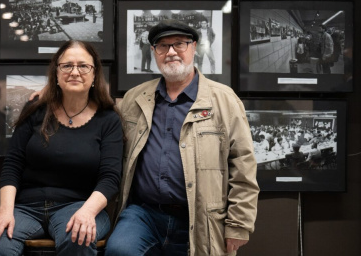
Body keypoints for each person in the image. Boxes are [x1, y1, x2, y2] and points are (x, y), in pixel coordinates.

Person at [105, 19, 259, 255]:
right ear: (153, 52)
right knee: (119, 250)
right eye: (162, 46)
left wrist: (238, 225)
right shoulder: (135, 99)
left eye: (179, 44)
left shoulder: (224, 100)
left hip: (200, 217)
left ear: (194, 47)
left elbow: (243, 165)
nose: (171, 52)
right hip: (143, 213)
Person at [0, 40, 123, 256]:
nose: (75, 72)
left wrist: (87, 212)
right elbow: (12, 164)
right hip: (27, 208)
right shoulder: (35, 110)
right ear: (56, 73)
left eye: (83, 66)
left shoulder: (108, 119)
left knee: (78, 239)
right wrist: (5, 212)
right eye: (67, 66)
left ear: (94, 74)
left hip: (79, 205)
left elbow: (110, 178)